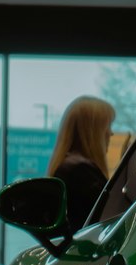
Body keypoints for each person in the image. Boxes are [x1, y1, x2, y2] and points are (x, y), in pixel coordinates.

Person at [46, 95, 115, 232]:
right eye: (107, 126)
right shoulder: (80, 172)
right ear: (92, 132)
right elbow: (110, 218)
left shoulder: (69, 169)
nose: (111, 133)